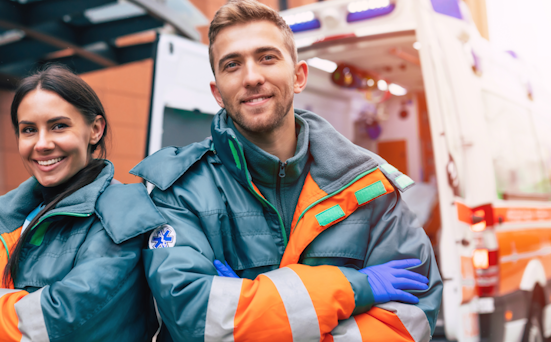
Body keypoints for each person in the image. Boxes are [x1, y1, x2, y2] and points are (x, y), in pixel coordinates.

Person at [131, 1, 442, 341]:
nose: (252, 77)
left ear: (298, 76)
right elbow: (195, 318)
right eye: (232, 64)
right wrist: (353, 288)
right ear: (217, 93)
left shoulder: (369, 185)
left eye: (267, 57)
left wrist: (251, 308)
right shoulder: (178, 190)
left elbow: (411, 317)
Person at [0, 65, 165, 342]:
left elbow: (66, 322)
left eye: (59, 126)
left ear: (95, 130)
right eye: (28, 130)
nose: (42, 144)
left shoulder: (122, 212)